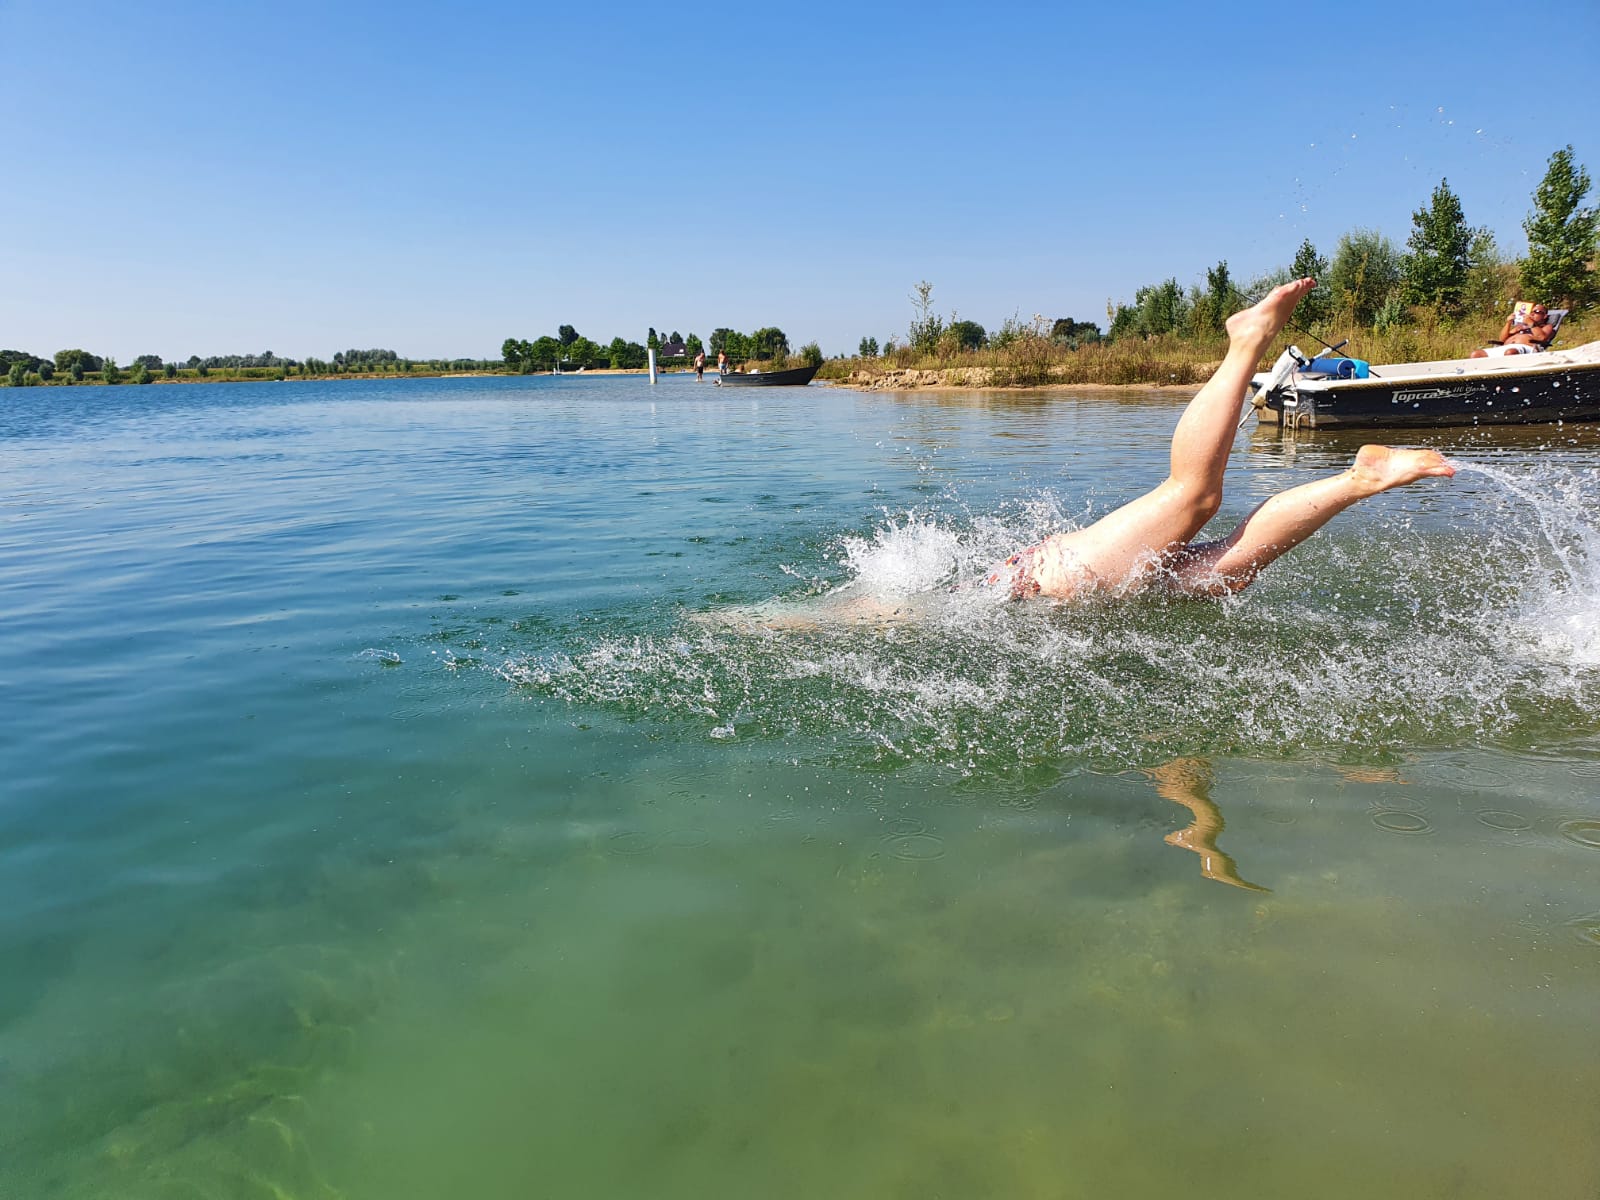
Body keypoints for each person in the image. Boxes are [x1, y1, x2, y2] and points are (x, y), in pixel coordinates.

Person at [986, 278, 1456, 601]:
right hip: (1064, 601)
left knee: (1193, 496)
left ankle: (1247, 342)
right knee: (1229, 575)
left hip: (1051, 584)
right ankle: (1360, 478)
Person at [1470, 303, 1556, 358]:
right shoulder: (1520, 327)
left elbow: (1542, 337)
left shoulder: (1546, 327)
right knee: (1476, 354)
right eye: (1531, 311)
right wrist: (1508, 323)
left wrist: (1531, 323)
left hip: (1525, 350)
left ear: (1545, 316)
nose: (1532, 313)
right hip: (1504, 348)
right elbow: (1502, 340)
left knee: (1510, 352)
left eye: (1537, 311)